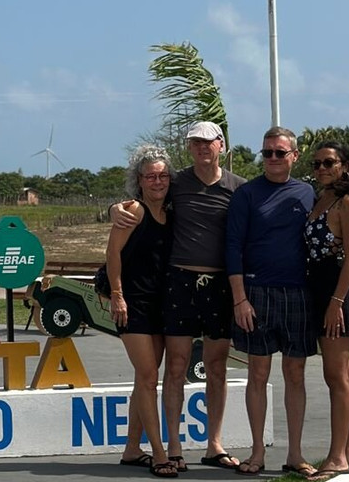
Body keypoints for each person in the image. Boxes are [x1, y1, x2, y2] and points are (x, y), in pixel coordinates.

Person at [112, 121, 245, 471]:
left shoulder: (239, 189)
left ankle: (213, 444)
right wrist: (116, 208)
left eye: (208, 142)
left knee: (215, 367)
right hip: (179, 283)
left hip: (218, 287)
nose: (202, 148)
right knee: (174, 367)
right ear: (189, 149)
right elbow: (140, 199)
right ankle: (172, 447)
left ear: (221, 146)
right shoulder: (176, 182)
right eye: (195, 143)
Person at [227, 126, 317, 477]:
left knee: (295, 373)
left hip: (298, 294)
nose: (274, 159)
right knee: (257, 373)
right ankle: (256, 452)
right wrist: (239, 299)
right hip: (256, 293)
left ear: (294, 156)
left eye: (280, 152)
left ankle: (295, 454)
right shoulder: (247, 195)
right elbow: (232, 247)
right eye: (267, 153)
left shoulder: (308, 194)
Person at [107, 145, 175, 477]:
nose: (158, 181)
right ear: (140, 179)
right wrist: (117, 295)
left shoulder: (173, 209)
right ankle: (160, 454)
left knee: (144, 379)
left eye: (163, 175)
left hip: (162, 303)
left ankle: (132, 450)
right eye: (151, 176)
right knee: (149, 378)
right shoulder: (132, 211)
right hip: (132, 304)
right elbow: (112, 254)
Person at [305, 142, 349, 480]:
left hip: (337, 292)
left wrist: (336, 303)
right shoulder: (321, 198)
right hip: (319, 288)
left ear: (345, 165)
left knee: (335, 376)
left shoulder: (348, 203)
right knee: (346, 373)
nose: (322, 169)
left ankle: (337, 456)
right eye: (316, 164)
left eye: (329, 162)